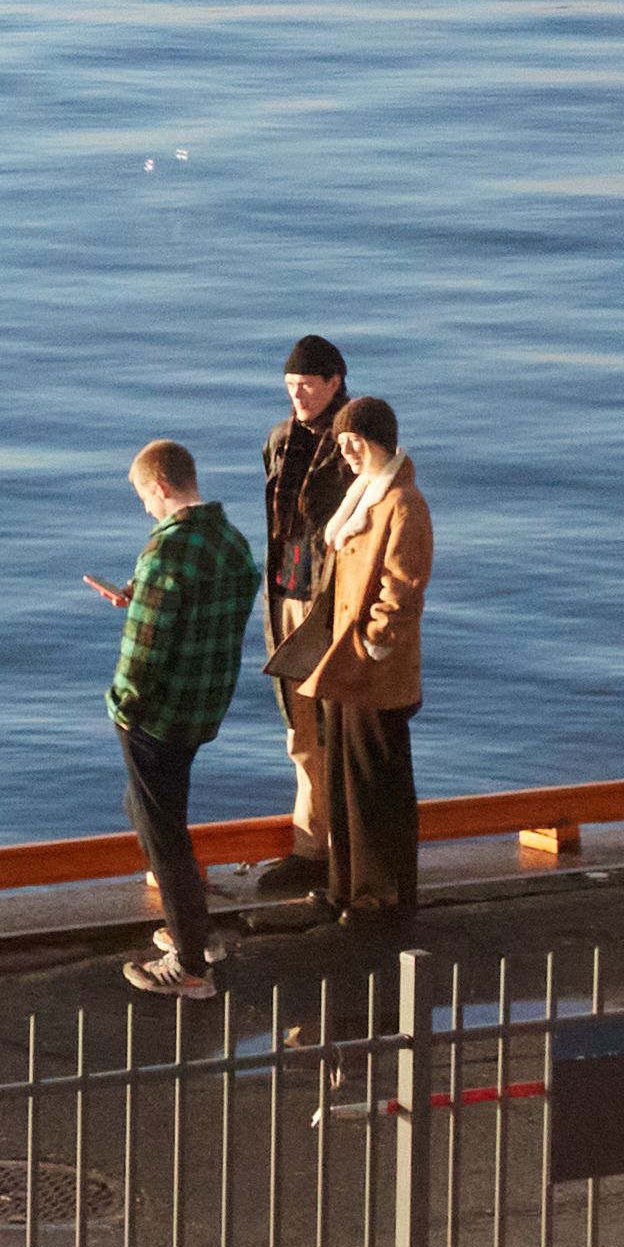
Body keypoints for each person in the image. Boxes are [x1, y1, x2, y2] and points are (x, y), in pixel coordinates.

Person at [84, 439, 260, 998]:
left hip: (158, 712)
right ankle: (195, 930)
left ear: (160, 486)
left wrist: (120, 703)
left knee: (164, 834)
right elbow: (206, 605)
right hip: (206, 703)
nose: (144, 507)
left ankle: (191, 963)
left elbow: (144, 654)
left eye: (142, 495)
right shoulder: (231, 542)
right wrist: (138, 597)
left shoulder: (165, 553)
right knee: (148, 808)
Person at [303, 395, 433, 922]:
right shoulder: (364, 495)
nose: (346, 454)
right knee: (346, 777)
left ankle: (380, 897)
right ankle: (346, 886)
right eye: (341, 444)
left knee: (377, 784)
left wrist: (372, 644)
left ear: (377, 441)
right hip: (347, 662)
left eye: (352, 443)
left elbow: (403, 587)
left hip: (374, 668)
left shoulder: (403, 504)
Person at [246, 337, 356, 897]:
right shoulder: (279, 439)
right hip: (285, 594)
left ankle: (343, 853)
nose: (298, 396)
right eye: (291, 387)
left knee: (338, 730)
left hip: (330, 602)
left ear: (335, 381)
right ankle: (311, 849)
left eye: (308, 386)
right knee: (300, 730)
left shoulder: (354, 442)